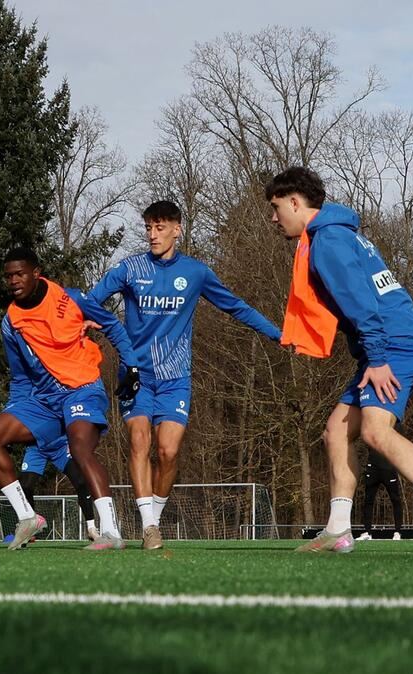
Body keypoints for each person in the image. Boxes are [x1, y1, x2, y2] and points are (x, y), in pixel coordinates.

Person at [265, 166, 413, 554]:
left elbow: (361, 302)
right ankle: (338, 530)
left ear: (295, 202)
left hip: (388, 348)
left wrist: (380, 356)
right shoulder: (343, 235)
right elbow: (390, 291)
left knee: (375, 431)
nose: (274, 218)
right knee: (336, 432)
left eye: (276, 208)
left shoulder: (328, 242)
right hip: (396, 342)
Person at [89, 201, 281, 550]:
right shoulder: (130, 269)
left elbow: (235, 306)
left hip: (175, 377)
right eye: (148, 228)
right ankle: (149, 527)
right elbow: (91, 300)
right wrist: (90, 320)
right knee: (139, 442)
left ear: (177, 229)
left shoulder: (195, 273)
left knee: (168, 452)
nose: (152, 234)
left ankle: (154, 519)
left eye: (160, 228)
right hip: (136, 376)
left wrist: (277, 334)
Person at [0, 247, 132, 551]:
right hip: (44, 401)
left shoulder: (70, 297)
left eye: (20, 274)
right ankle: (27, 517)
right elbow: (20, 376)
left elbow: (111, 324)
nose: (13, 280)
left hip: (83, 388)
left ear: (36, 273)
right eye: (8, 276)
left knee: (80, 449)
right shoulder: (11, 322)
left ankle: (110, 532)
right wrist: (15, 410)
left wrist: (132, 364)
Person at [17, 435, 100, 541]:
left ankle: (91, 528)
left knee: (81, 482)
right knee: (25, 486)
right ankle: (29, 526)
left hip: (60, 447)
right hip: (36, 448)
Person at [357, 449, 403, 541]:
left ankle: (398, 532)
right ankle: (367, 532)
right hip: (372, 468)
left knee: (395, 499)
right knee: (368, 500)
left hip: (388, 468)